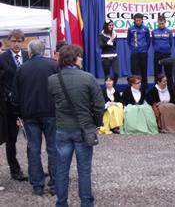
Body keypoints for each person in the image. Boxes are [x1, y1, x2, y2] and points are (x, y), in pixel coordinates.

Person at [47, 44, 105, 207]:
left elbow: (53, 103)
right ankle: (86, 203)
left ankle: (61, 202)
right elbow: (99, 105)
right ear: (73, 58)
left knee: (61, 170)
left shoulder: (52, 80)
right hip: (83, 129)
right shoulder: (88, 78)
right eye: (79, 56)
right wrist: (96, 124)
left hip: (62, 129)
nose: (82, 59)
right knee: (84, 170)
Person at [11, 39, 58, 196]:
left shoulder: (21, 69)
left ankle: (38, 185)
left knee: (33, 150)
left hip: (30, 115)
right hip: (51, 113)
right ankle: (55, 185)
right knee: (53, 149)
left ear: (30, 52)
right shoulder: (53, 65)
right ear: (43, 50)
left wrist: (18, 114)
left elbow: (15, 96)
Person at [0, 29, 29, 181]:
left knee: (33, 138)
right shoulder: (2, 58)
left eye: (19, 41)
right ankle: (15, 170)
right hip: (10, 106)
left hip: (28, 104)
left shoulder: (27, 56)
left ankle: (35, 168)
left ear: (23, 42)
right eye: (13, 41)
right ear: (8, 41)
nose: (16, 44)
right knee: (11, 140)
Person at [127, 13, 150, 91]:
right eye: (136, 20)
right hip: (134, 53)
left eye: (139, 20)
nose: (138, 22)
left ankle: (145, 88)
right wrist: (132, 49)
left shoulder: (146, 28)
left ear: (142, 20)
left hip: (143, 53)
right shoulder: (130, 29)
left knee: (144, 71)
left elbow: (148, 40)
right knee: (135, 72)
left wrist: (145, 49)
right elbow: (128, 41)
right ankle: (135, 88)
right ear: (134, 20)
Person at [151, 15, 173, 87]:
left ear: (165, 22)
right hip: (157, 54)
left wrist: (166, 48)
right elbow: (153, 42)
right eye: (159, 23)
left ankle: (170, 87)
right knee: (157, 72)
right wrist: (157, 48)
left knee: (168, 72)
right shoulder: (154, 31)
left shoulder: (169, 31)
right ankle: (156, 87)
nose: (161, 25)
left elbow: (171, 43)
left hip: (166, 54)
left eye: (162, 23)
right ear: (157, 23)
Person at [99, 19, 119, 86]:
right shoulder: (101, 35)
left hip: (114, 56)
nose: (111, 26)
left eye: (112, 25)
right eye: (110, 25)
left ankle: (113, 86)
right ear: (106, 26)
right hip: (105, 57)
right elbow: (101, 46)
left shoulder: (114, 33)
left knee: (116, 73)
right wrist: (109, 42)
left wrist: (111, 43)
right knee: (107, 75)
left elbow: (114, 45)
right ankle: (106, 90)